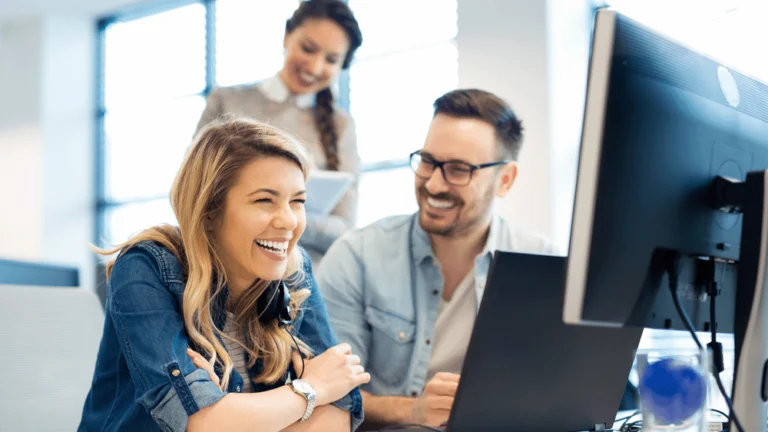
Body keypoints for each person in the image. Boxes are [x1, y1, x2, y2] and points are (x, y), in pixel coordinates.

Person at [78, 117, 369, 432]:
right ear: (210, 210)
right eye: (264, 200)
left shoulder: (293, 270)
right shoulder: (145, 267)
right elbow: (199, 421)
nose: (288, 221)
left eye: (297, 201)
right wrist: (312, 390)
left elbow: (340, 413)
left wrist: (232, 414)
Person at [316, 89, 558, 428]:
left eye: (458, 169)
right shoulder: (356, 256)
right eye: (428, 161)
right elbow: (330, 394)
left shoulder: (544, 264)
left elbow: (566, 392)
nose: (433, 183)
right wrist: (412, 411)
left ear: (504, 180)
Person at [196, 0, 363, 264]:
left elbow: (345, 228)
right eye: (308, 49)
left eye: (331, 59)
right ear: (287, 36)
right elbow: (195, 194)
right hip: (226, 269)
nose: (315, 67)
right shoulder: (227, 103)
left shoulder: (342, 127)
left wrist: (277, 215)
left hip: (304, 281)